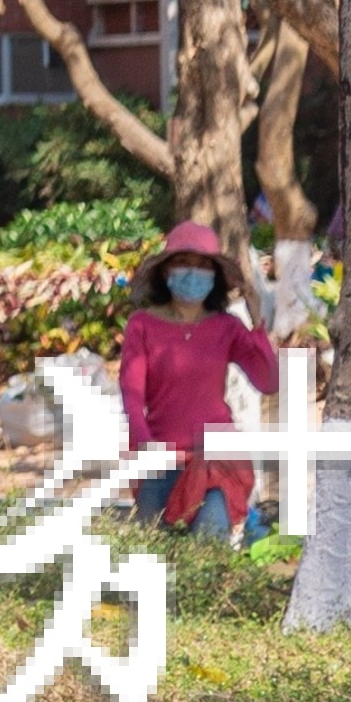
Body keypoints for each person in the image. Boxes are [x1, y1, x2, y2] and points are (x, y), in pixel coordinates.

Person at [117, 219, 279, 538]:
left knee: (209, 543)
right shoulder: (142, 326)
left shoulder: (227, 326)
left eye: (202, 265)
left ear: (214, 276)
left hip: (217, 458)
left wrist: (258, 324)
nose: (193, 272)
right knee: (156, 552)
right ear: (166, 272)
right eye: (183, 263)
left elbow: (268, 381)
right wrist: (148, 446)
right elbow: (132, 397)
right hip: (160, 457)